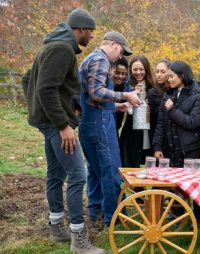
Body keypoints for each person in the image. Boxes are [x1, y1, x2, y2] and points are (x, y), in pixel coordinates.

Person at [26, 7, 105, 253]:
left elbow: (28, 79)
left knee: (55, 174)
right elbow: (45, 89)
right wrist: (63, 124)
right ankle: (79, 240)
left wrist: (65, 108)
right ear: (80, 29)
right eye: (90, 31)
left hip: (48, 120)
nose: (91, 36)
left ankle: (56, 227)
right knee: (78, 175)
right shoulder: (61, 49)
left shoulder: (53, 46)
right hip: (55, 125)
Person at [78, 31, 140, 229]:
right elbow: (97, 92)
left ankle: (96, 211)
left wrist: (117, 107)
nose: (120, 57)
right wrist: (125, 97)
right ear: (113, 44)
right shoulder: (101, 60)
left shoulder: (89, 58)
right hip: (100, 126)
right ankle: (114, 219)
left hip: (89, 123)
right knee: (112, 171)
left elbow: (90, 96)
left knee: (96, 171)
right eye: (121, 51)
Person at [152, 60, 200, 166]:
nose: (169, 79)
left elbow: (193, 122)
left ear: (181, 76)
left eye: (172, 76)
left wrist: (172, 111)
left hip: (189, 151)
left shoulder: (199, 96)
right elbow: (161, 123)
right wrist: (157, 147)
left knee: (188, 181)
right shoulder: (169, 93)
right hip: (168, 148)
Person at [119, 55, 155, 167]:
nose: (138, 72)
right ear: (131, 70)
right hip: (131, 133)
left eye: (141, 69)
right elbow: (124, 108)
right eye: (135, 69)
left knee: (151, 167)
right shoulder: (127, 86)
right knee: (131, 167)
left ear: (146, 70)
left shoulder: (153, 87)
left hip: (150, 132)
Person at [148, 59, 172, 155]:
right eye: (157, 71)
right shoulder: (152, 92)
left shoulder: (175, 90)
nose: (158, 74)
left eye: (162, 72)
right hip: (157, 134)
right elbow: (153, 119)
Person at [111, 56, 131, 136]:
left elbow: (131, 91)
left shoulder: (125, 87)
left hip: (115, 129)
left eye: (123, 74)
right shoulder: (103, 86)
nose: (120, 76)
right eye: (117, 73)